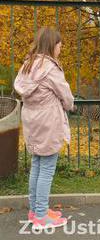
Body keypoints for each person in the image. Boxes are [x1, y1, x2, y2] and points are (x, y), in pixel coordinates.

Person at [14, 27, 74, 230]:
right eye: (59, 45)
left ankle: (35, 210)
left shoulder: (27, 65)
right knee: (46, 168)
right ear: (52, 45)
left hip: (32, 121)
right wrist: (70, 105)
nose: (61, 48)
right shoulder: (50, 68)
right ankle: (40, 216)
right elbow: (66, 95)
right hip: (48, 122)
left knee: (37, 165)